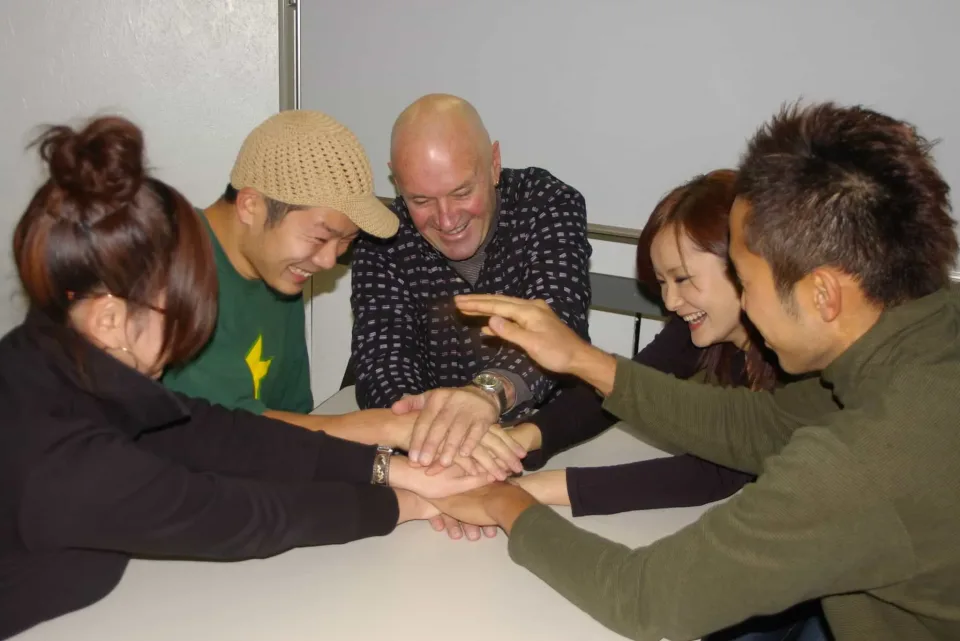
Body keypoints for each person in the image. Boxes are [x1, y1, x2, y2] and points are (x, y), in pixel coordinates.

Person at [436, 102, 960, 640]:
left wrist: (504, 501)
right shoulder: (929, 333)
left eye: (747, 280)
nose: (747, 305)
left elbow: (645, 597)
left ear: (822, 294)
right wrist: (580, 359)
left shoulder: (868, 462)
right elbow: (763, 426)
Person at [0, 116, 487, 640]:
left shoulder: (43, 357)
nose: (193, 333)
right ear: (110, 319)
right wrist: (407, 504)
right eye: (183, 314)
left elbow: (219, 435)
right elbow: (242, 516)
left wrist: (393, 471)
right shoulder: (70, 465)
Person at [502, 169, 826, 640]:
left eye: (684, 279)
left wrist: (534, 490)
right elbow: (621, 388)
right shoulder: (701, 326)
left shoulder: (802, 359)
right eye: (662, 282)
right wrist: (523, 440)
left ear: (742, 263)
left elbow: (716, 470)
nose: (671, 300)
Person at [158, 110, 494, 467]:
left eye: (345, 242)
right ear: (251, 205)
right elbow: (225, 432)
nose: (328, 261)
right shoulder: (171, 269)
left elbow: (295, 426)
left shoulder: (278, 271)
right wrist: (384, 429)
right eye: (320, 237)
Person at [350, 93, 591, 472]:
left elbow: (558, 321)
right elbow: (383, 359)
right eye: (421, 200)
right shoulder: (383, 236)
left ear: (494, 165)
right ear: (396, 183)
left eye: (462, 192)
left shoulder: (546, 204)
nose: (447, 220)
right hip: (432, 453)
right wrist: (436, 443)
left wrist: (485, 394)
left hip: (544, 440)